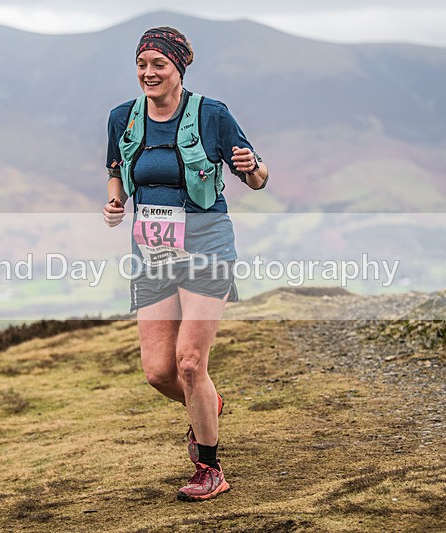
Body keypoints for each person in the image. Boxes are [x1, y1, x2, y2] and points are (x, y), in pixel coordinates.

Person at [103, 26, 268, 501]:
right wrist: (115, 204)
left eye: (159, 64)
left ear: (179, 68)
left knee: (191, 362)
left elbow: (258, 176)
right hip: (152, 252)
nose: (148, 73)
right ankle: (209, 405)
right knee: (158, 371)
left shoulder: (213, 115)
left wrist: (251, 167)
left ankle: (209, 467)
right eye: (142, 65)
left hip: (206, 245)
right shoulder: (122, 119)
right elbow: (116, 171)